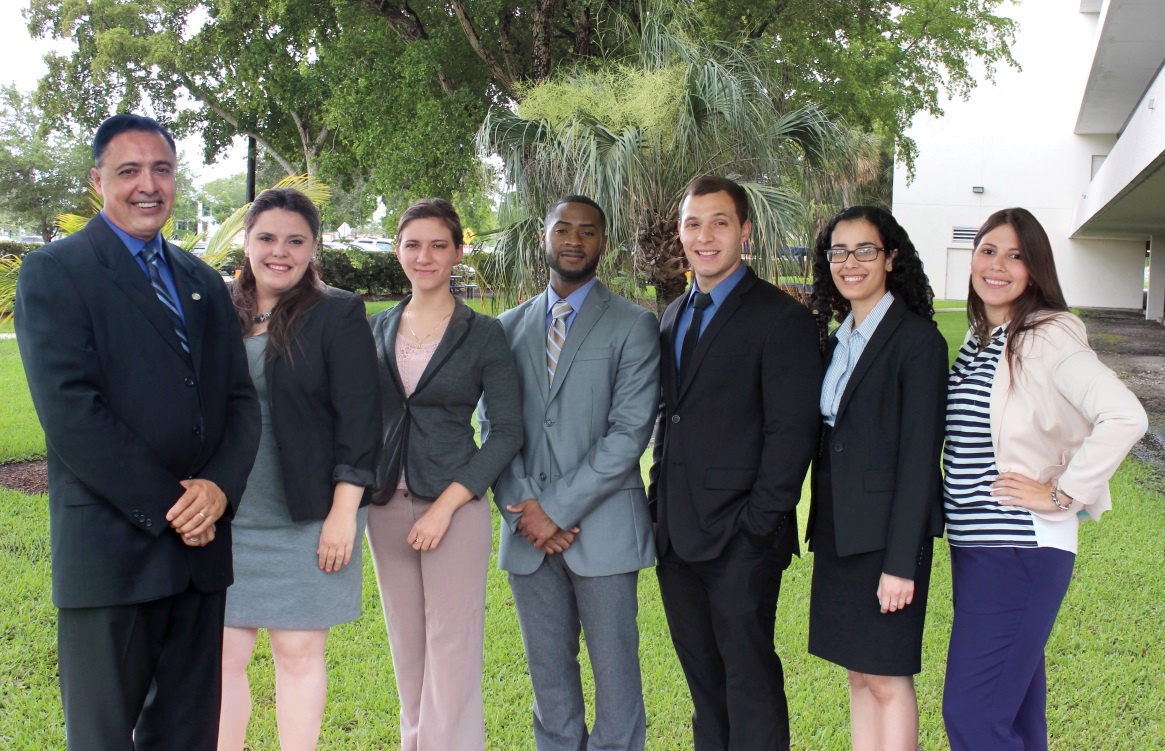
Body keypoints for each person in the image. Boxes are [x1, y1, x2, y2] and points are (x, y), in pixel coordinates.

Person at [13, 113, 260, 750]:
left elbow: (239, 401)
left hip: (201, 557)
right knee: (101, 738)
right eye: (129, 171)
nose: (148, 185)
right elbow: (73, 413)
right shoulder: (55, 271)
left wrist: (219, 489)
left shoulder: (202, 282)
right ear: (98, 182)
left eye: (162, 170)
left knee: (187, 736)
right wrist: (177, 507)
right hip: (112, 555)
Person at [941, 208, 1147, 750]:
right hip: (979, 548)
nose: (997, 265)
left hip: (1019, 547)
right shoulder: (985, 337)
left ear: (1035, 271)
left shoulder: (1047, 335)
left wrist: (1062, 493)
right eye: (988, 251)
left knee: (973, 715)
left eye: (1016, 256)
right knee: (1016, 718)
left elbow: (1125, 415)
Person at [481, 195, 661, 751]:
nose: (574, 240)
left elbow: (628, 433)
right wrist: (524, 511)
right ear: (545, 237)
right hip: (526, 533)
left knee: (617, 685)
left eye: (588, 231)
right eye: (563, 229)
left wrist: (555, 510)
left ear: (603, 242)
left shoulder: (634, 324)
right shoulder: (506, 328)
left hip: (603, 531)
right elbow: (493, 427)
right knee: (549, 686)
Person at [649, 175, 822, 751]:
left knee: (749, 685)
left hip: (741, 541)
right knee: (705, 688)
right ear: (680, 233)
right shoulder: (673, 315)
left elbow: (791, 435)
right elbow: (670, 419)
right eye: (693, 224)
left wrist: (756, 526)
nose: (705, 236)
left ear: (744, 231)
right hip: (676, 538)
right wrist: (656, 507)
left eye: (719, 223)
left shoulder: (781, 318)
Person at [217, 188, 381, 750]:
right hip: (227, 515)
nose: (279, 252)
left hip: (310, 514)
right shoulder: (218, 308)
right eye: (266, 238)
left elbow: (361, 420)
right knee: (221, 656)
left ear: (313, 248)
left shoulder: (338, 312)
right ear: (247, 241)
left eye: (295, 241)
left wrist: (343, 514)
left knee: (298, 653)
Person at [366, 198, 522, 751]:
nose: (425, 256)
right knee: (407, 648)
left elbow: (506, 432)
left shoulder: (484, 333)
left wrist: (444, 508)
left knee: (452, 650)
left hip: (454, 509)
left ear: (458, 251)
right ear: (397, 251)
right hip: (384, 504)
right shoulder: (374, 327)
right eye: (413, 244)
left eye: (438, 245)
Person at [805, 206, 947, 751]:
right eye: (838, 252)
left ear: (890, 258)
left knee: (887, 678)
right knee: (859, 675)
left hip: (888, 539)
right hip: (840, 534)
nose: (850, 262)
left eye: (865, 250)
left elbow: (919, 461)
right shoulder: (837, 339)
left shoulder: (918, 341)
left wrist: (900, 564)